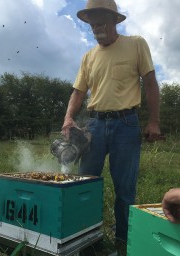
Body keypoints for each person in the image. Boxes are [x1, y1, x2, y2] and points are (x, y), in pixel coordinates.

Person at [62, 0, 162, 243]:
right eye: (92, 22)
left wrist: (154, 121)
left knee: (125, 189)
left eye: (100, 21)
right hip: (94, 126)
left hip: (126, 124)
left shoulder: (136, 44)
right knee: (84, 184)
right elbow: (78, 92)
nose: (95, 27)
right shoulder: (88, 57)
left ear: (115, 20)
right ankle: (84, 237)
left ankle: (123, 241)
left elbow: (150, 82)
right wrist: (68, 118)